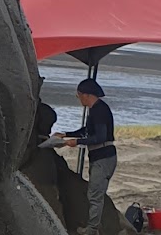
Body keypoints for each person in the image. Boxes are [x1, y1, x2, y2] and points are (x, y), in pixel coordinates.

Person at [56, 78, 116, 234]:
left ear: (87, 95)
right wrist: (66, 134)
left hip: (104, 157)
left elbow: (100, 137)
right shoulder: (95, 109)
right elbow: (87, 131)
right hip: (99, 156)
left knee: (95, 194)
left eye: (79, 95)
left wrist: (77, 142)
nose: (79, 99)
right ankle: (94, 226)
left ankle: (92, 229)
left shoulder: (100, 110)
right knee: (94, 193)